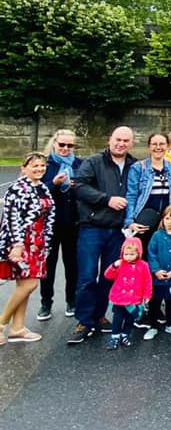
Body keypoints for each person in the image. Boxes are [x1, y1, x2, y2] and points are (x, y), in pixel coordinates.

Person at [68, 127, 136, 345]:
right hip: (92, 227)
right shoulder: (94, 162)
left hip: (118, 230)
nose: (121, 144)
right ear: (110, 139)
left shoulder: (135, 165)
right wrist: (106, 199)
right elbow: (78, 187)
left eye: (126, 140)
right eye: (118, 139)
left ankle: (99, 315)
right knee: (87, 277)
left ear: (131, 143)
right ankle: (84, 320)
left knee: (109, 276)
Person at [0, 152, 55, 344]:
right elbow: (11, 219)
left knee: (25, 285)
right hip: (21, 242)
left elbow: (48, 217)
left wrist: (45, 243)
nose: (39, 169)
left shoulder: (42, 188)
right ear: (23, 168)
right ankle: (1, 323)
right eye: (34, 166)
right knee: (29, 283)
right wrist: (16, 245)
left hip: (38, 242)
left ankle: (18, 328)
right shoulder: (16, 189)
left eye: (42, 166)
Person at [39, 130, 83, 321]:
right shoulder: (45, 164)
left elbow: (87, 188)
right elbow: (35, 190)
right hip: (49, 222)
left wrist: (77, 186)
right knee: (48, 264)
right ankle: (46, 303)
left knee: (72, 264)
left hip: (73, 221)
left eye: (70, 145)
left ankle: (71, 300)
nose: (65, 149)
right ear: (54, 143)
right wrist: (53, 184)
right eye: (62, 145)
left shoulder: (79, 164)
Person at [125, 132, 171, 248]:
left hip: (167, 218)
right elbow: (131, 195)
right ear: (149, 146)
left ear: (168, 146)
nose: (158, 147)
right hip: (145, 216)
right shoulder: (138, 168)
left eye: (161, 144)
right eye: (154, 144)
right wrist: (129, 222)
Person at [144, 204, 171, 341]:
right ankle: (153, 326)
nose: (169, 222)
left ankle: (170, 323)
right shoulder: (156, 235)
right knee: (154, 302)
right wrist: (155, 270)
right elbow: (151, 253)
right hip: (157, 277)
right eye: (166, 218)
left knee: (170, 301)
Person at [104, 237, 152, 349]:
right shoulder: (120, 264)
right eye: (126, 254)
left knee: (130, 319)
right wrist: (114, 266)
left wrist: (147, 295)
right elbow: (107, 275)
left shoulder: (144, 265)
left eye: (131, 254)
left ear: (138, 253)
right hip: (120, 298)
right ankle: (115, 337)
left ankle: (125, 335)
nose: (128, 257)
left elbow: (147, 281)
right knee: (117, 318)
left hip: (134, 298)